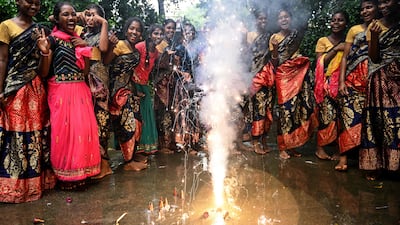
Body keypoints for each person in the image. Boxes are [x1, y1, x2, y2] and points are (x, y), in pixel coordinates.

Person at [0, 0, 54, 203]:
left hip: (36, 89)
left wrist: (44, 50)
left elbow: (43, 69)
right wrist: (1, 90)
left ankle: (35, 186)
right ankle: (12, 188)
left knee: (35, 138)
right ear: (17, 1)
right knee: (14, 135)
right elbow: (3, 59)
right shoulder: (6, 26)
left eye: (37, 3)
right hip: (14, 89)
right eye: (29, 1)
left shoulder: (41, 31)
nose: (33, 5)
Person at [45, 1, 101, 189]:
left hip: (80, 89)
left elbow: (85, 73)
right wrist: (44, 52)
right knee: (65, 133)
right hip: (60, 91)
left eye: (72, 15)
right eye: (65, 15)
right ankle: (66, 178)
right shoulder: (52, 39)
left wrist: (84, 47)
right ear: (57, 18)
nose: (70, 18)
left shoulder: (78, 39)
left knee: (83, 131)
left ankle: (82, 173)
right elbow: (45, 72)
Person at [337, 0, 380, 171]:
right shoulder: (354, 30)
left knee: (371, 122)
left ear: (377, 8)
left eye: (369, 7)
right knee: (347, 117)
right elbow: (345, 57)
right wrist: (341, 81)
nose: (365, 11)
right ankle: (343, 158)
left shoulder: (384, 28)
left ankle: (370, 162)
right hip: (352, 80)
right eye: (362, 9)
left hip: (374, 80)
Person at [360, 0, 400, 179]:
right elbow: (374, 58)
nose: (384, 6)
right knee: (379, 120)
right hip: (380, 78)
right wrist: (375, 37)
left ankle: (396, 164)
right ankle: (377, 165)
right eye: (381, 2)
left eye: (387, 1)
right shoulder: (374, 27)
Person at [269, 7, 316, 159]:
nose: (284, 19)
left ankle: (293, 145)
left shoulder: (295, 35)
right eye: (280, 18)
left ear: (290, 18)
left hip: (297, 75)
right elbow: (275, 62)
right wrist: (275, 49)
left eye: (286, 17)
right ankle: (282, 147)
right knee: (285, 110)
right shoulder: (274, 38)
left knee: (296, 110)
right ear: (277, 21)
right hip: (283, 76)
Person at [104, 17, 148, 171]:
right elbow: (107, 61)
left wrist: (135, 92)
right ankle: (128, 162)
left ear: (141, 34)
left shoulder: (135, 50)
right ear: (126, 29)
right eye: (132, 28)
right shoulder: (120, 44)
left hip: (129, 90)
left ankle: (132, 154)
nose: (134, 32)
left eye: (138, 30)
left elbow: (130, 73)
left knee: (137, 122)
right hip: (117, 91)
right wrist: (111, 46)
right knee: (127, 123)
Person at [81, 3, 112, 179]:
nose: (90, 19)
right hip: (83, 82)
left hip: (99, 83)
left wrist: (104, 23)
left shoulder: (104, 34)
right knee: (88, 123)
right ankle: (91, 162)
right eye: (88, 15)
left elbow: (104, 48)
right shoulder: (81, 33)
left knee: (101, 121)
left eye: (94, 16)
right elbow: (53, 19)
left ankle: (105, 164)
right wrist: (82, 15)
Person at [314, 11, 349, 161]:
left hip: (344, 82)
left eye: (340, 20)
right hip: (326, 83)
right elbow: (321, 63)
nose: (336, 23)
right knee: (326, 116)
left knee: (341, 117)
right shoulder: (323, 41)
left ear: (345, 23)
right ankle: (319, 149)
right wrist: (335, 49)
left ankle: (338, 150)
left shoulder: (349, 40)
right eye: (334, 20)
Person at [133, 24, 164, 154]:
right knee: (136, 117)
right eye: (156, 33)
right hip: (134, 85)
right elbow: (130, 66)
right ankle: (134, 150)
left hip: (145, 85)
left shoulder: (157, 51)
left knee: (146, 116)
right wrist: (133, 90)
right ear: (150, 34)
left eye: (160, 34)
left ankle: (146, 148)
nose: (158, 36)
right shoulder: (139, 47)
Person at [247, 8, 274, 155]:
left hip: (268, 75)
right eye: (260, 19)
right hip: (254, 75)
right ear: (256, 20)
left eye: (265, 19)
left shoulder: (270, 36)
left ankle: (264, 139)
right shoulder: (249, 35)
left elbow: (272, 57)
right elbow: (246, 55)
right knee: (258, 108)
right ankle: (255, 141)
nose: (263, 21)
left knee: (267, 107)